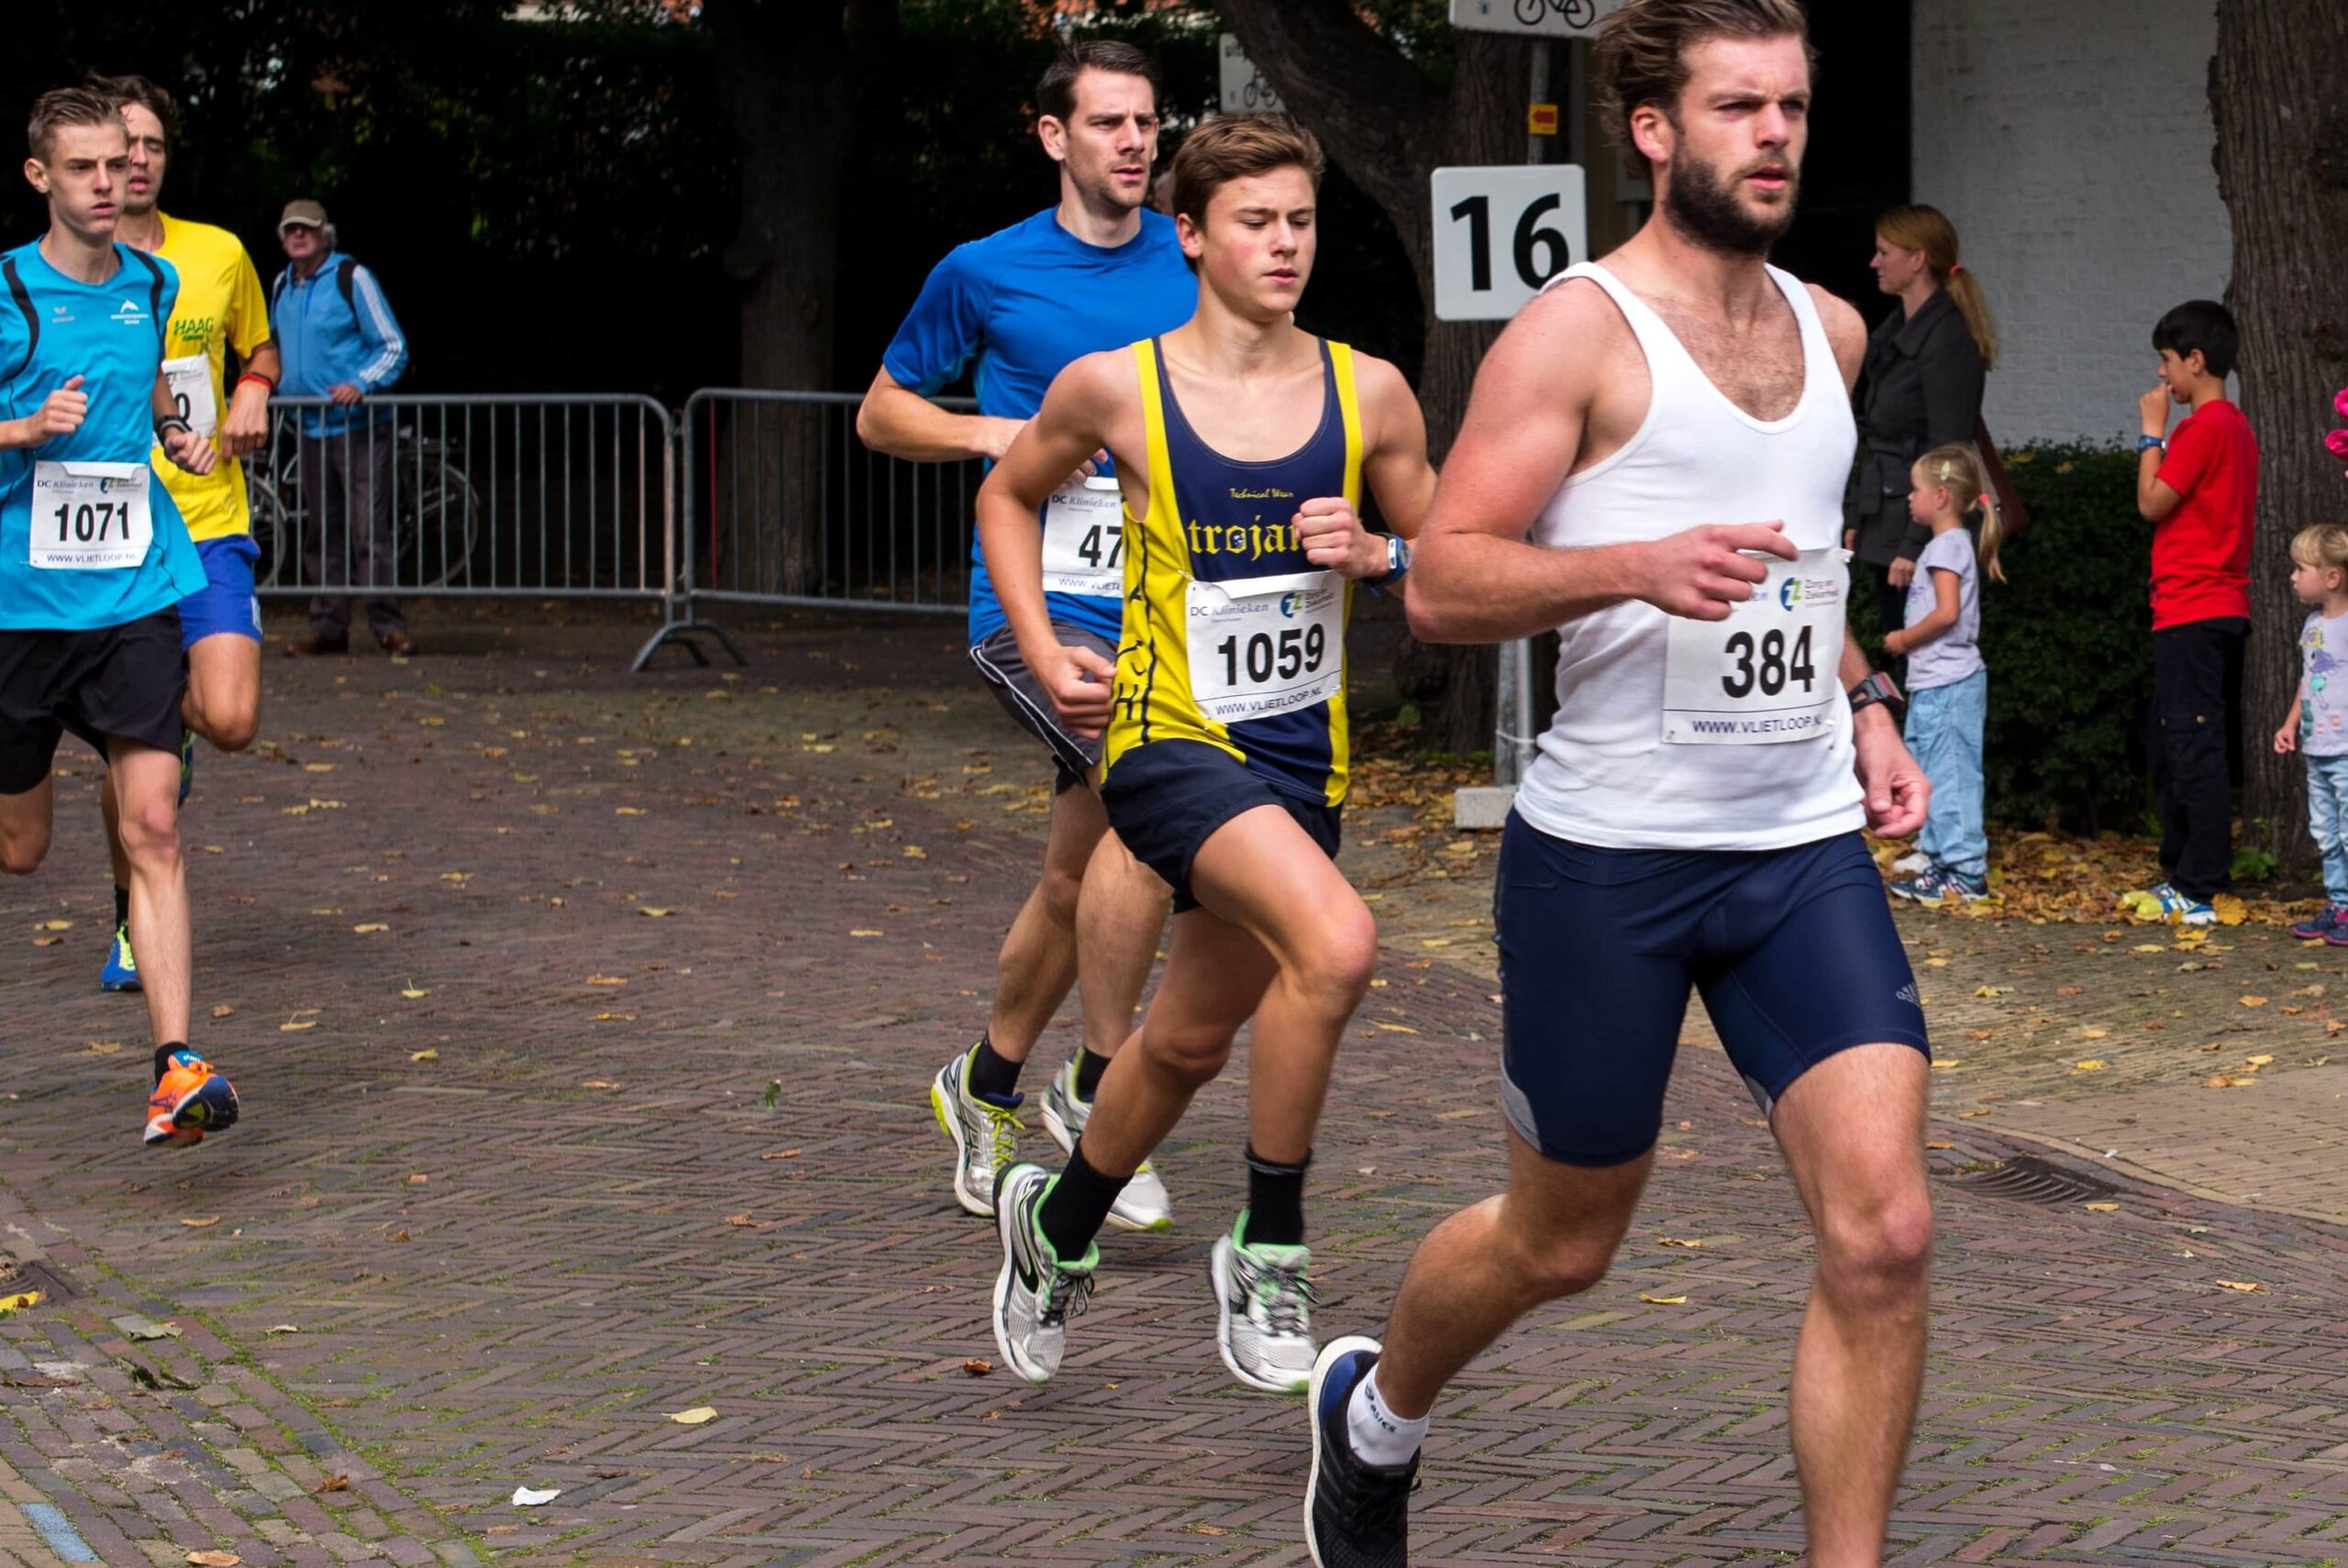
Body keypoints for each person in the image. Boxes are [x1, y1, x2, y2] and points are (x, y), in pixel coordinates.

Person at [1301, 4, 1933, 1564]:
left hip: (1796, 850)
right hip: (1610, 859)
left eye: (1792, 106)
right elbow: (1441, 581)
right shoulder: (1577, 333)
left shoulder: (1836, 331)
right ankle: (1376, 1415)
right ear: (1654, 130)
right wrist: (1631, 566)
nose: (1774, 134)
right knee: (1563, 1239)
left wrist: (1865, 704)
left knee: (1887, 1232)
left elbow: (1798, 577)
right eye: (1738, 107)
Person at [976, 114, 1434, 1394]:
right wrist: (1041, 645)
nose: (1285, 244)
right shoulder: (1114, 387)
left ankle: (1057, 1225)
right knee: (1335, 944)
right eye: (1255, 222)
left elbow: (1455, 563)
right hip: (1166, 741)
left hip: (1299, 764)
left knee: (1183, 1043)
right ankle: (1269, 1244)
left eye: (1301, 221)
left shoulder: (1370, 392)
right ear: (1190, 234)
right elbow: (1007, 494)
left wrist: (1383, 552)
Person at [856, 42, 1196, 1234]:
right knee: (1151, 811)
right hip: (1036, 610)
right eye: (1108, 123)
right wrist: (994, 436)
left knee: (1075, 873)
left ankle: (986, 1082)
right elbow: (883, 411)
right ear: (1053, 136)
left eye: (1146, 122)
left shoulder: (1192, 256)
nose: (1134, 142)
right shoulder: (986, 270)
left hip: (1169, 612)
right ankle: (1102, 1088)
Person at [1, 88, 241, 1147]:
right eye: (84, 167)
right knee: (20, 849)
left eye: (118, 164)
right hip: (21, 605)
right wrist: (22, 429)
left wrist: (180, 434)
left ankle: (176, 1068)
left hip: (134, 589)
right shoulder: (8, 288)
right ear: (40, 177)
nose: (110, 182)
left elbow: (151, 393)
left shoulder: (154, 281)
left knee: (154, 822)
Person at [84, 73, 279, 994]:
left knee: (229, 719)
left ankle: (176, 725)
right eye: (123, 146)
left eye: (153, 145)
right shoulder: (62, 271)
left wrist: (255, 389)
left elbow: (259, 345)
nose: (137, 161)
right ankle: (131, 920)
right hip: (110, 536)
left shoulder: (219, 252)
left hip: (206, 518)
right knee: (129, 750)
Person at [2121, 300, 2258, 927]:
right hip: (2203, 606)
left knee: (2191, 745)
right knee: (2175, 743)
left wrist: (2152, 432)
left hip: (2194, 606)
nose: (2162, 375)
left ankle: (2199, 886)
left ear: (2196, 361)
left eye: (2168, 361)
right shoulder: (2235, 428)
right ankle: (2183, 874)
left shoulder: (2204, 428)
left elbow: (2152, 502)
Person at [271, 198, 412, 657]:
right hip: (308, 427)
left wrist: (361, 383)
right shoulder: (281, 285)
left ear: (324, 235)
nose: (298, 235)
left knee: (369, 530)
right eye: (291, 229)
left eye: (307, 228)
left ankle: (388, 626)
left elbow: (392, 346)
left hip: (359, 428)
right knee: (322, 532)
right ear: (282, 238)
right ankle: (330, 628)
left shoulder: (352, 277)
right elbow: (273, 349)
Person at [1847, 204, 1991, 641]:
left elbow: (1948, 451)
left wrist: (1914, 544)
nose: (1874, 262)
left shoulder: (1946, 338)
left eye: (1884, 252)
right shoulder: (1899, 332)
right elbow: (1877, 435)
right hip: (1890, 518)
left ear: (1917, 259)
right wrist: (1857, 515)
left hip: (1916, 530)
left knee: (1920, 655)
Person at [1885, 445, 2004, 903]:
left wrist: (1904, 639)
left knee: (1950, 774)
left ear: (1940, 497)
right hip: (1936, 682)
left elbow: (1947, 613)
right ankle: (1938, 857)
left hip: (1948, 682)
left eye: (1915, 490)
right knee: (1933, 770)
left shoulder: (1946, 547)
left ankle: (1965, 870)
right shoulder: (1946, 545)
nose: (1909, 498)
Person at [2275, 525, 2348, 944]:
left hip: (2346, 750)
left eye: (2301, 569)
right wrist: (2290, 724)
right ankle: (2340, 904)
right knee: (2326, 833)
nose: (2293, 577)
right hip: (2317, 750)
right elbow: (2308, 680)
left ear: (2332, 577)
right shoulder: (2313, 625)